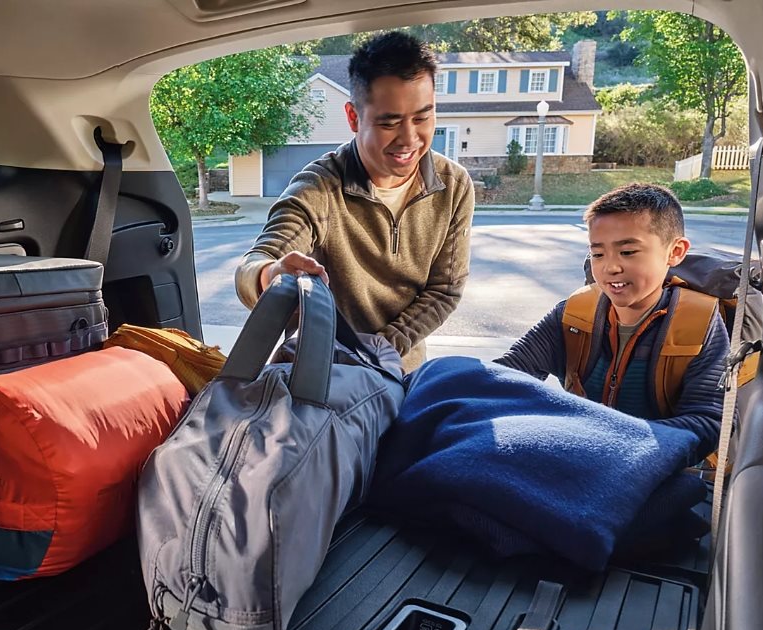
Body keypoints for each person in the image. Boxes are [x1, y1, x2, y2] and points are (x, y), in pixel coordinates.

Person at [233, 31, 475, 373]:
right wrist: (271, 274)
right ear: (353, 117)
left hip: (401, 373)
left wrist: (378, 352)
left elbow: (445, 290)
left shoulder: (454, 186)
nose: (409, 138)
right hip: (319, 376)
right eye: (389, 122)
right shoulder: (319, 187)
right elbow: (254, 265)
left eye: (422, 118)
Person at [495, 183, 727, 459]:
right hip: (581, 461)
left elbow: (708, 423)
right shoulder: (574, 313)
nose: (610, 267)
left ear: (675, 252)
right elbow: (507, 376)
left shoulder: (700, 324)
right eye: (598, 253)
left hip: (661, 474)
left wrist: (604, 443)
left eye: (627, 252)